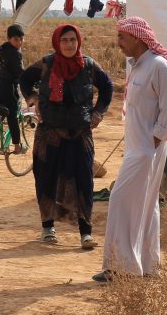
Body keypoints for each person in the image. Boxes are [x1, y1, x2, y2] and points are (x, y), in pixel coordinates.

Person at [94, 16, 167, 282]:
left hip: (146, 150)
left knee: (120, 201)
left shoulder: (159, 66)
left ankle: (121, 268)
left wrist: (151, 143)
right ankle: (146, 264)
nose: (118, 42)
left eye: (122, 37)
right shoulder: (139, 66)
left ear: (136, 37)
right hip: (138, 148)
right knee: (145, 205)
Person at [21, 24, 113, 249]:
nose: (69, 44)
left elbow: (107, 87)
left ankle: (86, 233)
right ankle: (48, 228)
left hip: (80, 134)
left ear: (78, 41)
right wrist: (33, 99)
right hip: (49, 134)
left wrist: (98, 112)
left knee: (84, 180)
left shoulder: (88, 66)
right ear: (57, 42)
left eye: (73, 40)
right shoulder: (46, 64)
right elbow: (24, 79)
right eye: (65, 40)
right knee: (46, 178)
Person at [0, 23, 28, 154]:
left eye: (21, 39)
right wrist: (30, 78)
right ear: (9, 38)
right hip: (8, 88)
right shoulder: (16, 53)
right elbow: (19, 72)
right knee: (12, 116)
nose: (19, 42)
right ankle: (17, 146)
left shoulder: (3, 47)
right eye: (16, 39)